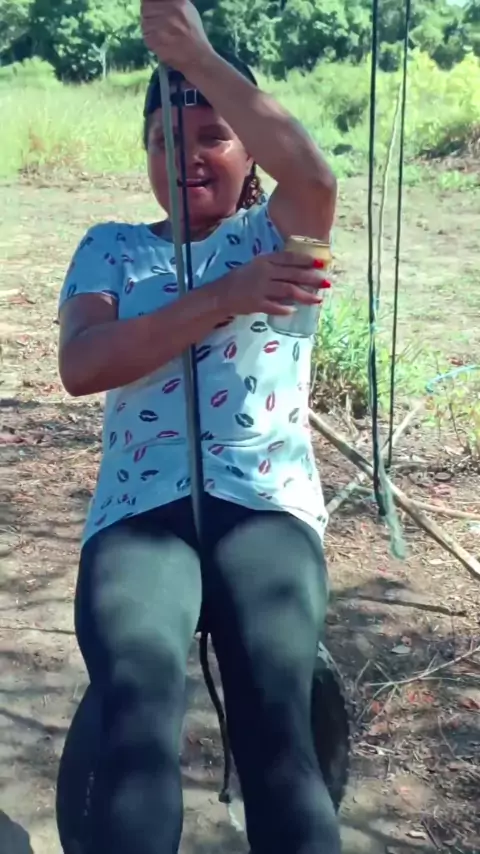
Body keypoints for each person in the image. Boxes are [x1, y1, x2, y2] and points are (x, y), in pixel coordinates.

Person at [57, 1, 340, 852]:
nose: (185, 157)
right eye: (162, 142)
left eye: (212, 136)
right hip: (140, 513)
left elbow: (316, 176)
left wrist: (198, 57)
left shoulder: (277, 232)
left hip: (264, 506)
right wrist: (224, 296)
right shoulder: (110, 248)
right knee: (137, 707)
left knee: (276, 720)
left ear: (249, 151)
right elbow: (85, 364)